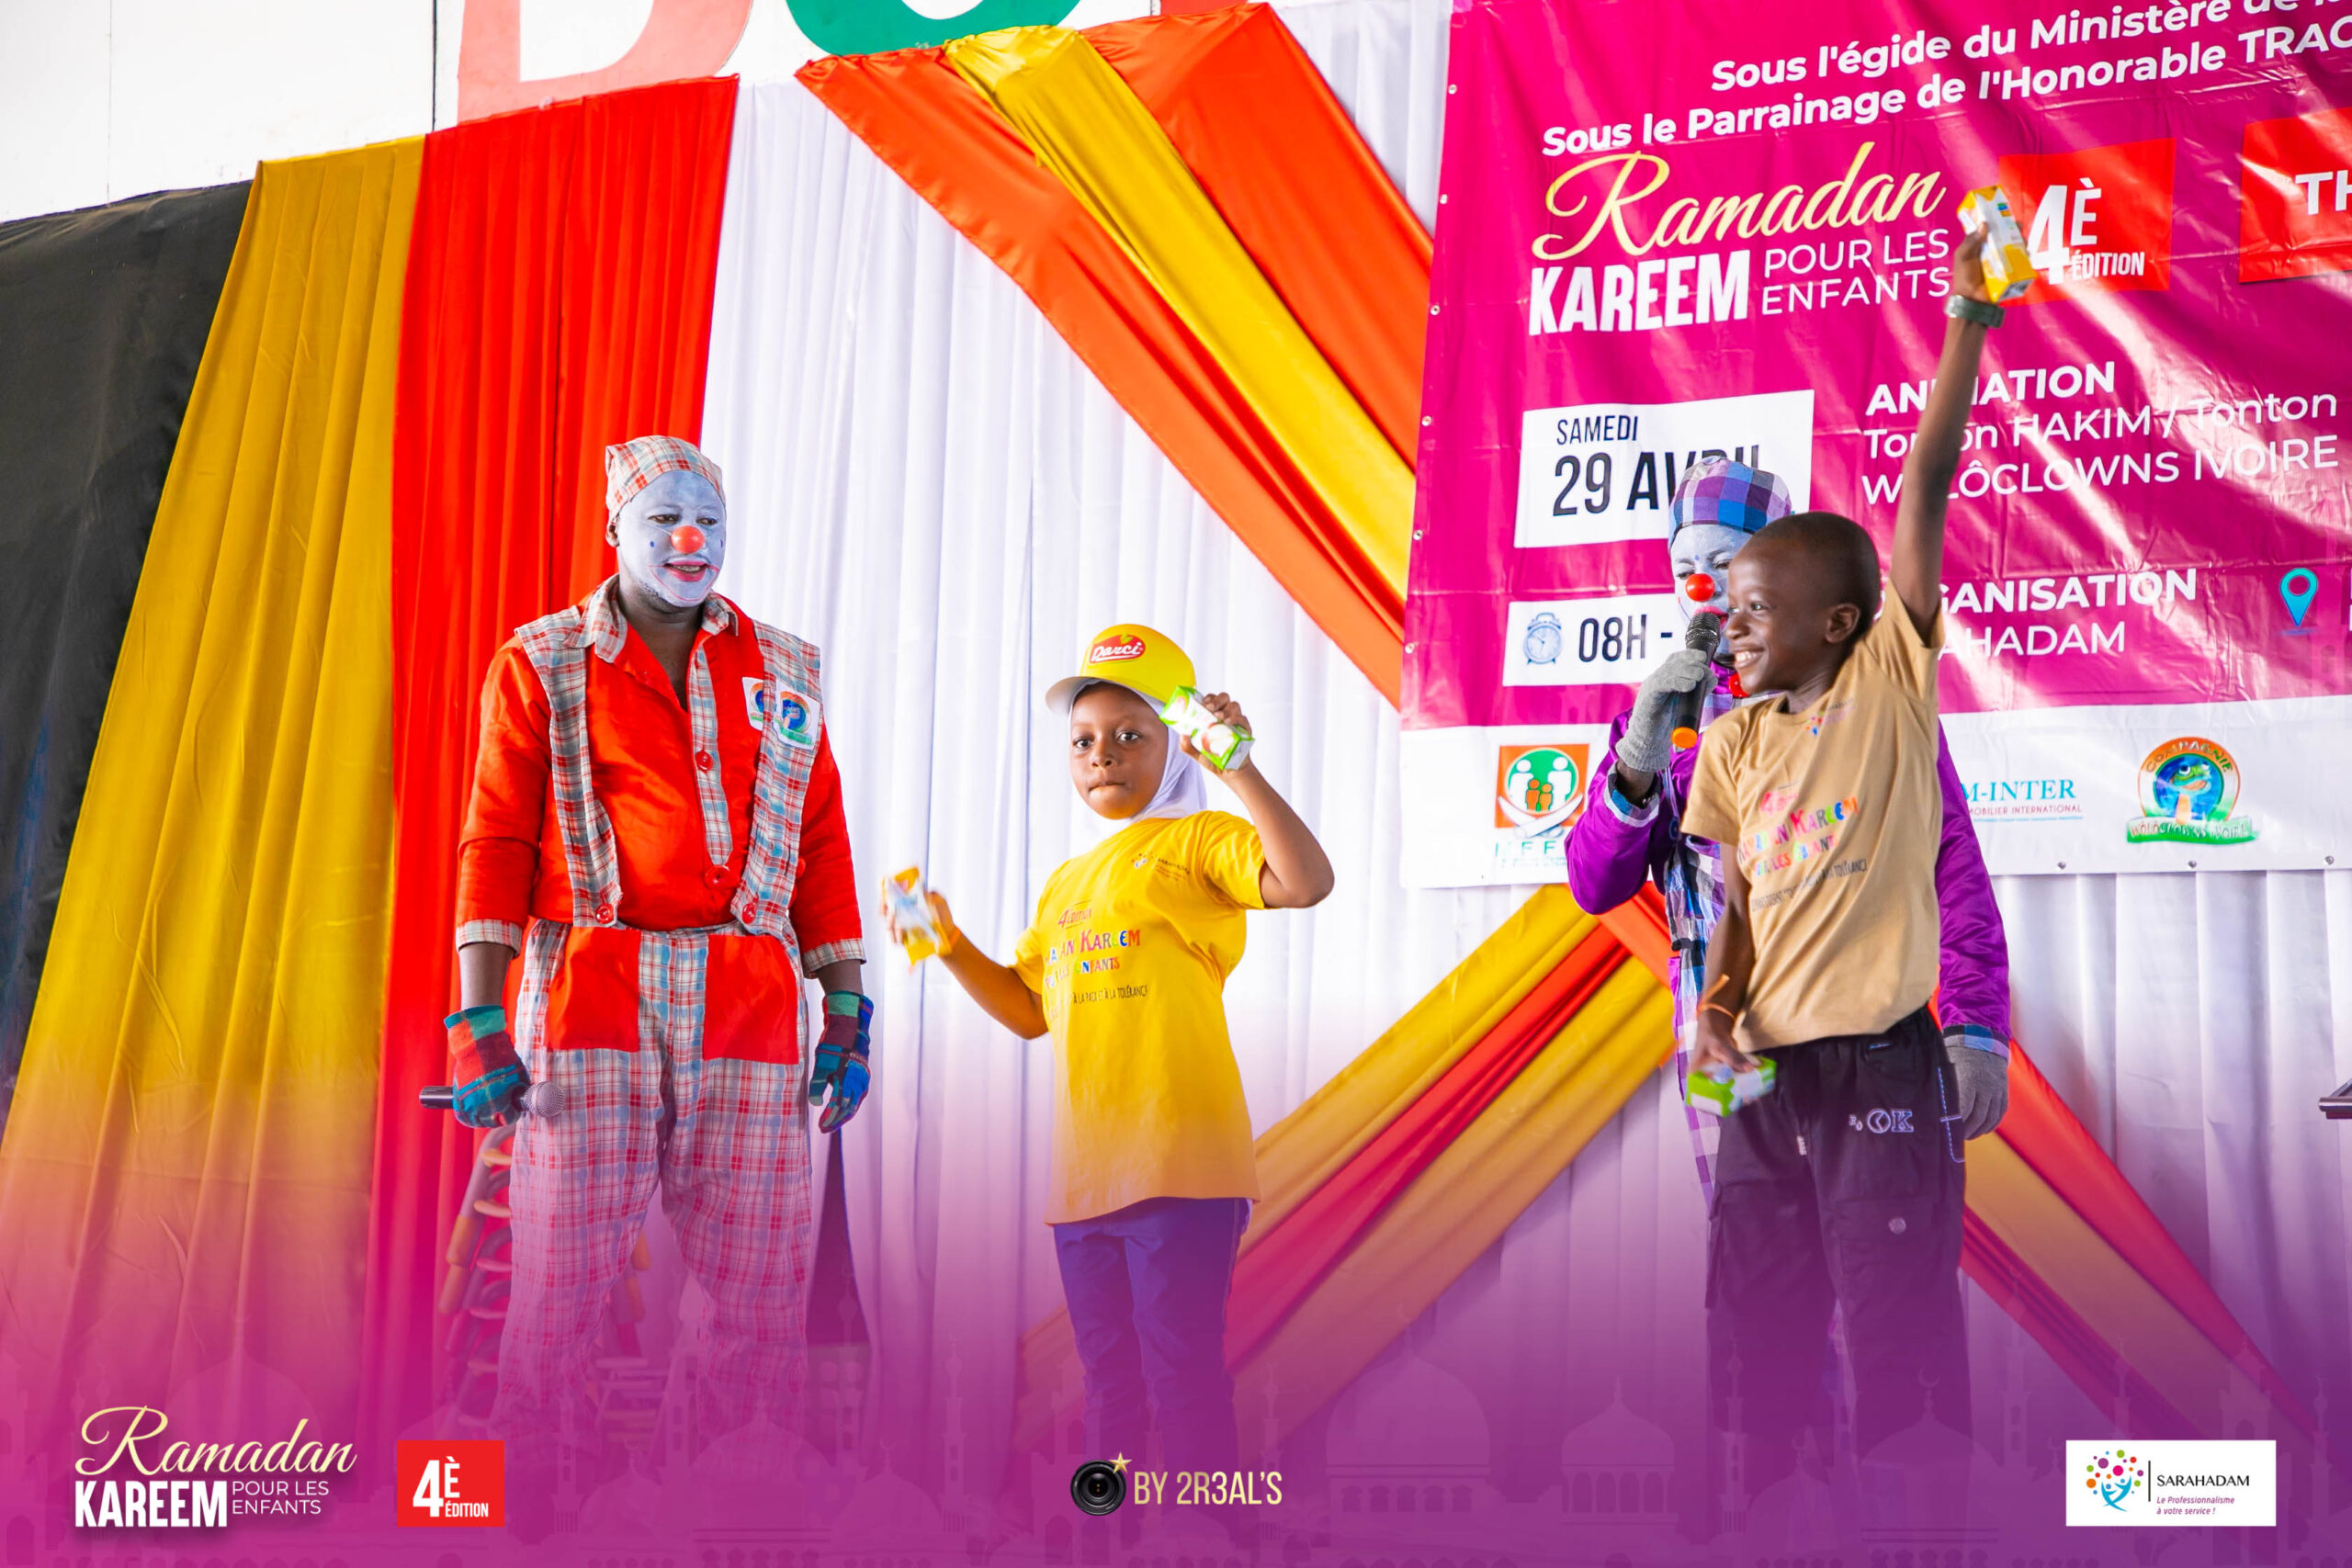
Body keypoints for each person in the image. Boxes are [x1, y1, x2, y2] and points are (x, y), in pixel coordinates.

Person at [445, 434, 869, 1517]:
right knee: (560, 1285)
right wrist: (477, 1021)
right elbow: (497, 840)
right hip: (594, 986)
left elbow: (821, 841)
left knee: (757, 1293)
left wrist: (847, 1011)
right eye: (664, 519)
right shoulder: (543, 661)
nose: (691, 540)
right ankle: (535, 1518)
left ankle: (725, 1513)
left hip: (750, 994)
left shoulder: (785, 667)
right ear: (613, 531)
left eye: (709, 521)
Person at [1675, 231, 2003, 1464]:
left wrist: (1967, 320)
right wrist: (1717, 1011)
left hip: (1879, 1066)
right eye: (1726, 606)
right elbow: (1737, 908)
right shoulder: (1730, 740)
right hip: (1763, 1079)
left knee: (1894, 1314)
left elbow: (1925, 487)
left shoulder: (1889, 686)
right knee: (1757, 1322)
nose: (1730, 624)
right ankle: (1771, 1512)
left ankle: (1918, 1524)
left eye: (1756, 607)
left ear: (1842, 621)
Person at [886, 624, 1333, 1475]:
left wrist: (1237, 765)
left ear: (1177, 747)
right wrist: (948, 944)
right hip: (1086, 1180)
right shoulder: (1066, 883)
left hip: (1181, 1166)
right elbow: (1029, 1011)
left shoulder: (1199, 840)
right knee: (1107, 1385)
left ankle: (1203, 1531)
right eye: (1084, 740)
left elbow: (1306, 882)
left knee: (1180, 1374)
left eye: (1131, 735)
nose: (1103, 755)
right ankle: (1109, 1532)